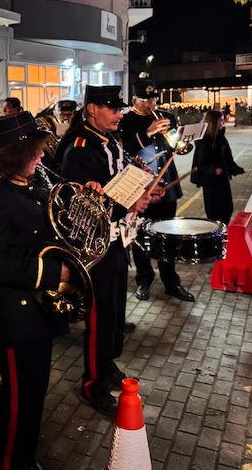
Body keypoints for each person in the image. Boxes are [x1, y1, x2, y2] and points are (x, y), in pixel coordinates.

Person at [0, 111, 94, 470]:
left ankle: (23, 456)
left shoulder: (34, 186)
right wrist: (57, 271)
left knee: (34, 391)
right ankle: (9, 463)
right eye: (35, 153)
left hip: (36, 312)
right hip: (13, 315)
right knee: (20, 397)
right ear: (14, 155)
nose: (42, 158)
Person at [60, 85, 154, 417]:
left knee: (114, 311)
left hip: (115, 238)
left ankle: (107, 365)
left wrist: (140, 185)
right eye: (112, 109)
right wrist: (132, 203)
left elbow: (116, 183)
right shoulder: (82, 148)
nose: (118, 114)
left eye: (119, 109)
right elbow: (88, 206)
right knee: (100, 318)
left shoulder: (107, 141)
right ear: (91, 110)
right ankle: (92, 383)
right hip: (95, 243)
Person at [119, 82, 194, 303]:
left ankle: (171, 282)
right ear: (134, 101)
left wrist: (176, 140)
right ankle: (144, 280)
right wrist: (149, 131)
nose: (152, 103)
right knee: (139, 235)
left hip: (166, 181)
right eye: (146, 99)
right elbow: (125, 149)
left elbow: (173, 147)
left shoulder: (165, 116)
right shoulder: (125, 120)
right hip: (139, 187)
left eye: (153, 99)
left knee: (167, 233)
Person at [191, 111, 241, 224]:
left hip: (222, 179)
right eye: (221, 120)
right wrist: (213, 170)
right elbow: (200, 163)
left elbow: (227, 157)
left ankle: (223, 234)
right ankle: (217, 237)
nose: (223, 123)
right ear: (213, 122)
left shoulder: (220, 137)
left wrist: (236, 169)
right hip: (211, 182)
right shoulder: (205, 140)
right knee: (216, 214)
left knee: (227, 209)